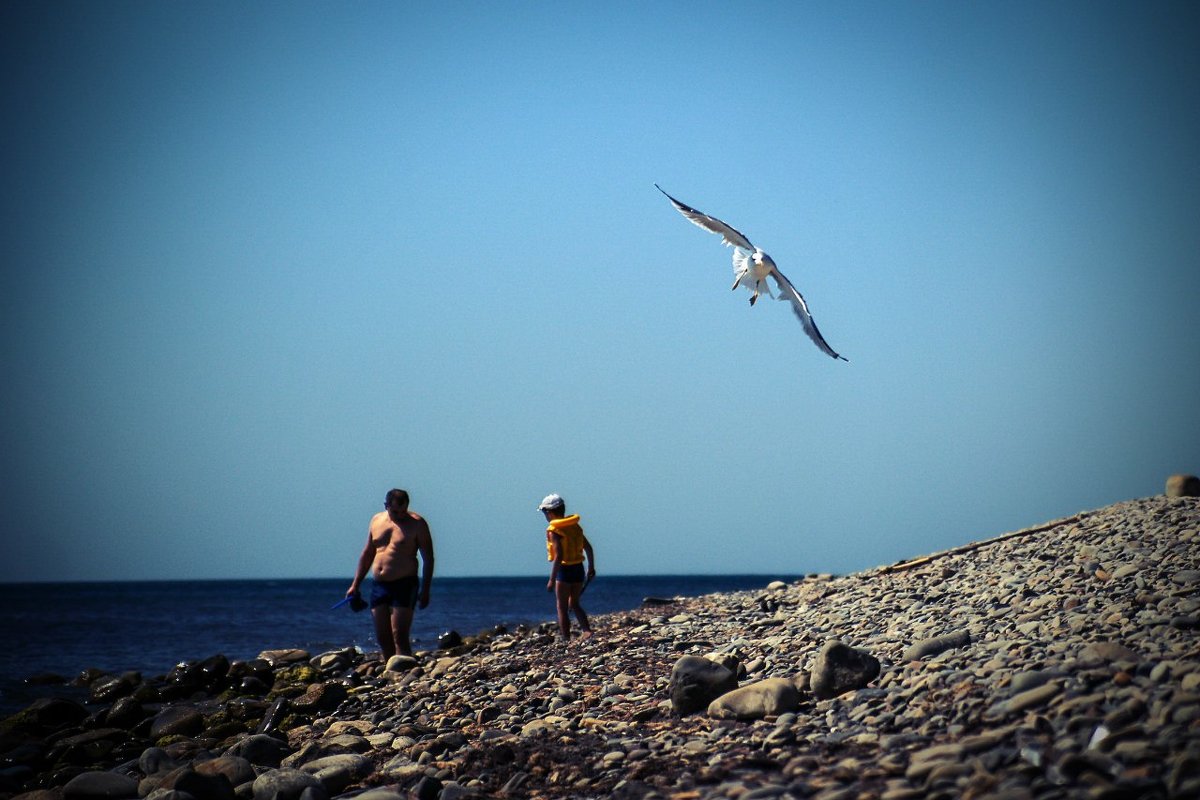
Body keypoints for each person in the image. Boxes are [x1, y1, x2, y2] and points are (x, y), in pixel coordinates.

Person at [346, 488, 434, 658]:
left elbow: (428, 559)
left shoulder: (417, 524)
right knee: (383, 636)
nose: (400, 515)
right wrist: (355, 585)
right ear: (386, 506)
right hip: (380, 585)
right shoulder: (376, 520)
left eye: (403, 511)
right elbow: (368, 553)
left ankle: (406, 672)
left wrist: (426, 590)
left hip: (405, 583)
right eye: (395, 511)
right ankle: (390, 673)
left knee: (399, 635)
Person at [538, 493, 596, 641]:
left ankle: (565, 638)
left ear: (549, 512)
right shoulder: (574, 526)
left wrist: (551, 580)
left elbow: (559, 556)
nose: (544, 515)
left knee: (562, 607)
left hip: (564, 571)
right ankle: (586, 630)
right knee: (575, 603)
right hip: (579, 569)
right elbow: (588, 548)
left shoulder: (554, 530)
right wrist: (591, 567)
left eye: (544, 512)